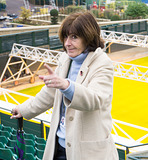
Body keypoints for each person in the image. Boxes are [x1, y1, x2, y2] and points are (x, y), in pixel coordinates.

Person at [11, 12, 119, 160]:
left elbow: (96, 100)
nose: (67, 43)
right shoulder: (65, 59)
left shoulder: (103, 63)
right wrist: (23, 109)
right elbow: (49, 94)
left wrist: (66, 85)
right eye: (66, 37)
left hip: (87, 153)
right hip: (58, 148)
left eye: (74, 37)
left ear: (88, 36)